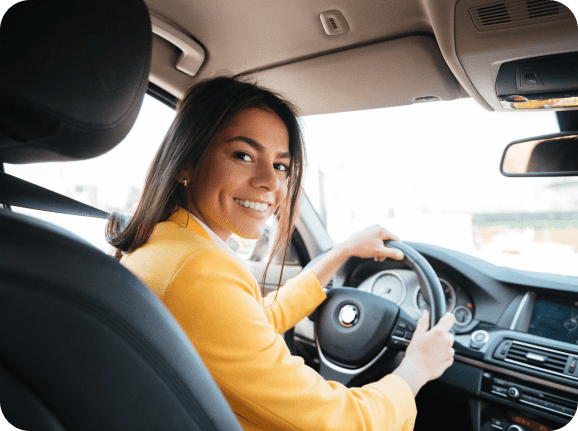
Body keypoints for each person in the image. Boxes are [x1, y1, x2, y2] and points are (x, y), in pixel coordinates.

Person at [107, 76, 456, 431]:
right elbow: (339, 422)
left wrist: (342, 252)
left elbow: (252, 325)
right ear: (186, 162)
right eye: (243, 155)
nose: (271, 182)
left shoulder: (166, 244)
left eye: (281, 166)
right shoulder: (199, 269)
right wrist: (415, 370)